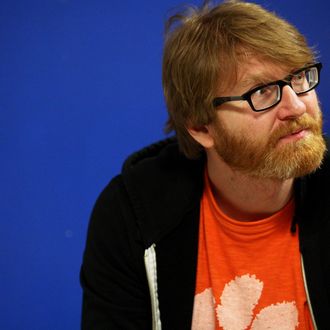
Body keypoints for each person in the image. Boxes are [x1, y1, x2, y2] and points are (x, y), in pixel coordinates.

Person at [80, 1, 330, 329]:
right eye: (263, 92)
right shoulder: (132, 215)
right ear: (201, 128)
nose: (297, 105)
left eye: (298, 77)